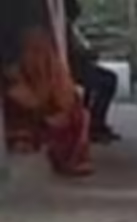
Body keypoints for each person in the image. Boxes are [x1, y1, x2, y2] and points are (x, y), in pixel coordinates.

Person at [3, 27, 92, 176]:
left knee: (81, 116)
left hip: (50, 116)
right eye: (32, 51)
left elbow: (67, 102)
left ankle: (72, 159)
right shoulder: (15, 74)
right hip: (32, 121)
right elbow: (23, 101)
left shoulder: (56, 72)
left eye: (40, 51)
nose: (36, 57)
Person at [62, 0, 120, 144]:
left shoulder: (67, 23)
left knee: (98, 81)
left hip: (78, 64)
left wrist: (88, 52)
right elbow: (73, 50)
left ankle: (91, 123)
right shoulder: (64, 23)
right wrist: (88, 53)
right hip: (74, 66)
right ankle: (95, 124)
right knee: (108, 80)